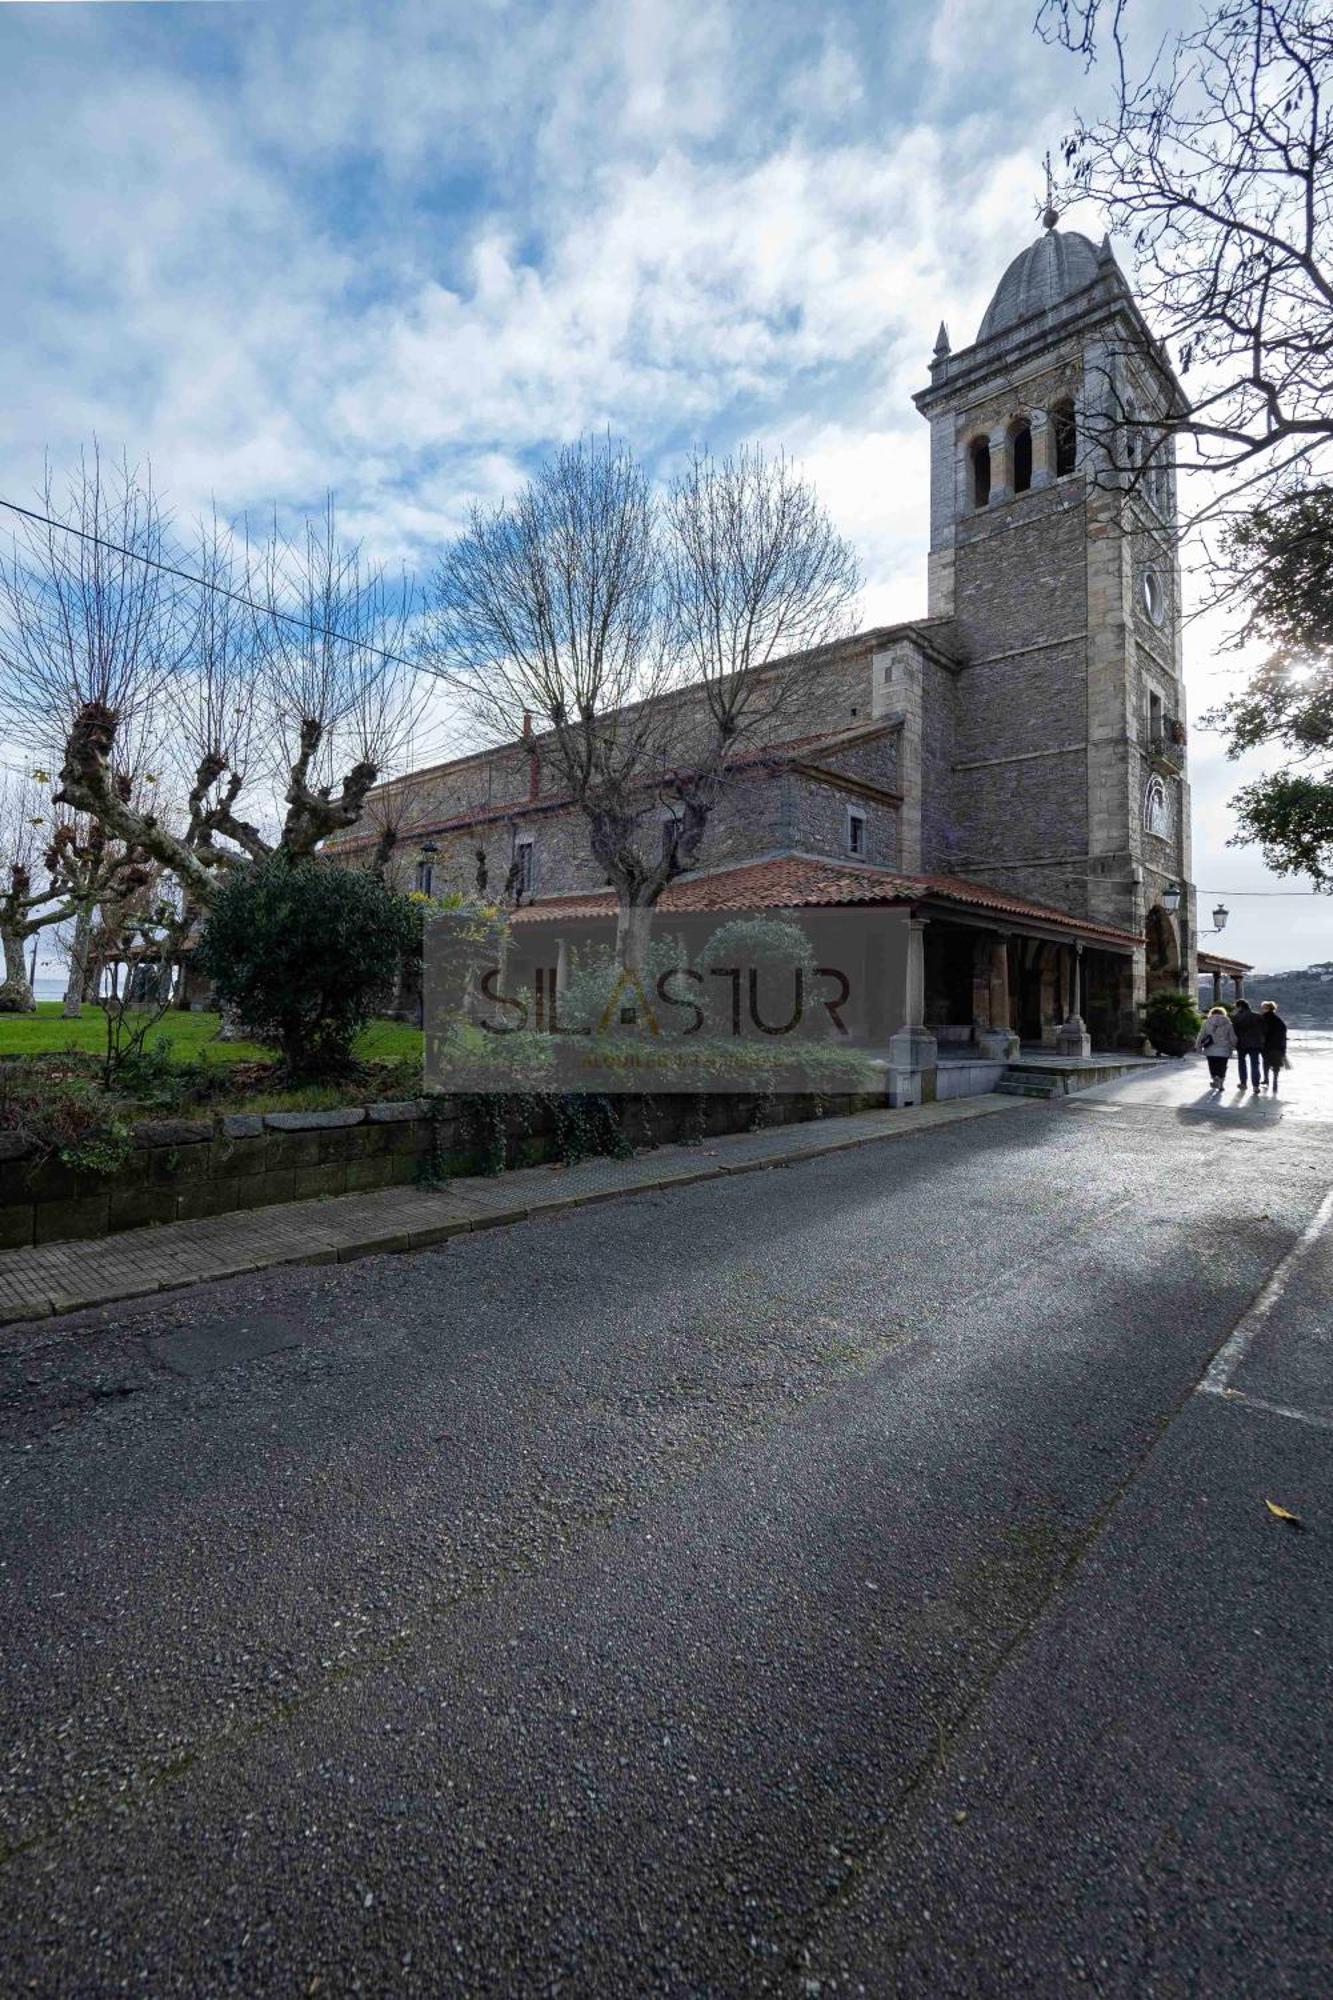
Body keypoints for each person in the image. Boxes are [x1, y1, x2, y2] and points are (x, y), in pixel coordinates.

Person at [1196, 1004, 1236, 1089]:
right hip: (1224, 1049)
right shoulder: (1228, 1023)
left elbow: (1201, 1035)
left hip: (1211, 1049)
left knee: (1212, 1065)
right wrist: (1234, 1045)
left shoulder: (1207, 1022)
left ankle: (1215, 1078)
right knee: (1223, 1066)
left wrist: (1198, 1045)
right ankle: (1221, 1081)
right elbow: (1232, 1036)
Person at [1231, 997, 1265, 1089]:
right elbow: (1264, 1030)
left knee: (1242, 1064)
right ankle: (1256, 1086)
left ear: (1240, 1007)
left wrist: (1233, 1043)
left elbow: (1234, 1032)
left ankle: (1243, 1083)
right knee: (1255, 1065)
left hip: (1241, 1044)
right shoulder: (1258, 1016)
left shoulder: (1236, 1018)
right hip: (1256, 1044)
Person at [1259, 998, 1288, 1092]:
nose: (1262, 1009)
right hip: (1278, 1045)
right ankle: (1275, 1081)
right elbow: (1283, 1032)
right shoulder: (1279, 1020)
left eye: (1263, 1007)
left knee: (1266, 1062)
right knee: (1276, 1064)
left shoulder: (1263, 1018)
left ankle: (1266, 1079)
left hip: (1267, 1045)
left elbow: (1261, 1031)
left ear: (1267, 1008)